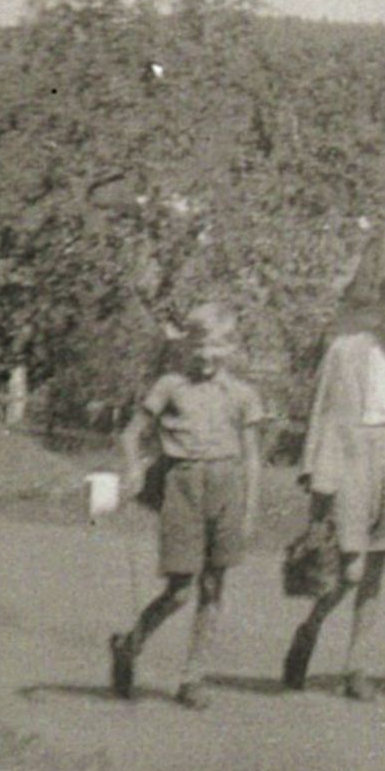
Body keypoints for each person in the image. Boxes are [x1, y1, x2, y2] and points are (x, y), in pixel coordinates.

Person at [108, 303, 266, 710]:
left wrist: (249, 510)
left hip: (226, 488)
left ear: (230, 348)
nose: (207, 354)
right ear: (187, 345)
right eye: (199, 345)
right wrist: (134, 469)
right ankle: (130, 644)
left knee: (213, 588)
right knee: (180, 591)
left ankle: (193, 678)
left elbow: (252, 457)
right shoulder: (170, 386)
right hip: (182, 486)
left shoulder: (244, 395)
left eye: (217, 346)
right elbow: (130, 435)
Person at [283, 274, 385, 700]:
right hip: (351, 459)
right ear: (381, 307)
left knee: (376, 571)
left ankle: (356, 666)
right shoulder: (346, 350)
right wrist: (315, 472)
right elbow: (322, 412)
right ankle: (310, 629)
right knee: (351, 568)